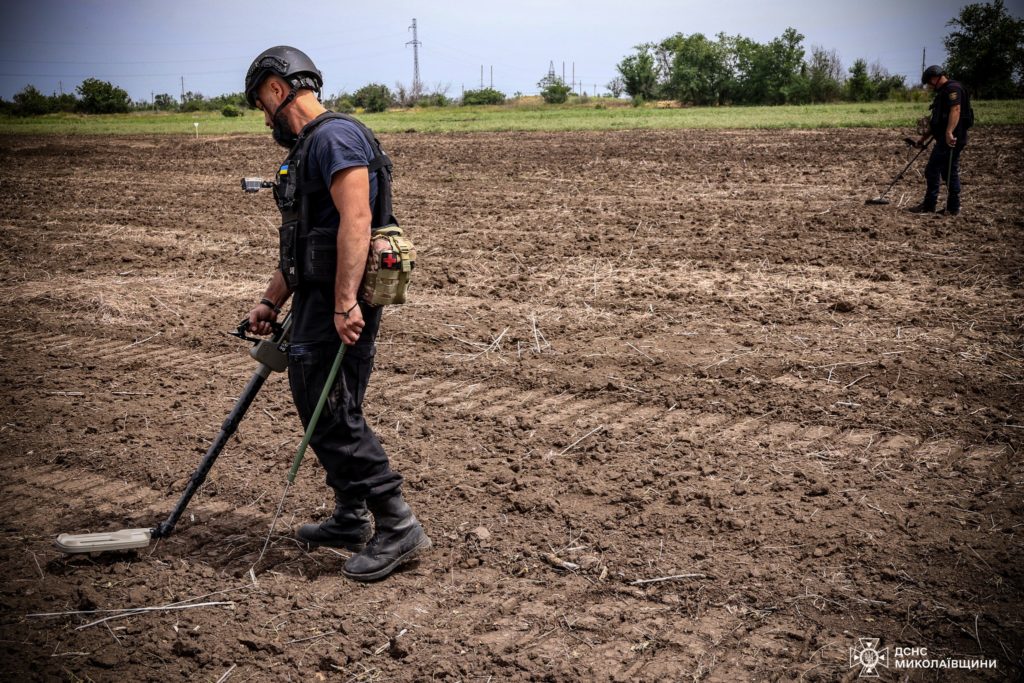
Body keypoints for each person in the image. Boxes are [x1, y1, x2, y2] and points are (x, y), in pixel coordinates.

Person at [243, 46, 430, 581]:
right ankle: (351, 516)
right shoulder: (312, 146)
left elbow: (357, 220)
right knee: (329, 407)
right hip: (318, 297)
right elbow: (307, 242)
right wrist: (270, 299)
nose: (263, 117)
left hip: (336, 303)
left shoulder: (334, 137)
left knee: (330, 414)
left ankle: (396, 524)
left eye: (261, 103)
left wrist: (346, 300)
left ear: (277, 89)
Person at [908, 65, 968, 216]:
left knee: (939, 170)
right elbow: (938, 121)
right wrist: (923, 139)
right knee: (945, 170)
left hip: (952, 138)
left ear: (934, 78)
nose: (929, 86)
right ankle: (949, 207)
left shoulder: (953, 89)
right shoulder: (943, 92)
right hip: (944, 137)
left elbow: (956, 110)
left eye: (929, 82)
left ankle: (936, 206)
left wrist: (948, 132)